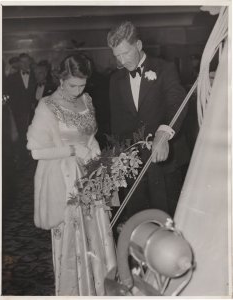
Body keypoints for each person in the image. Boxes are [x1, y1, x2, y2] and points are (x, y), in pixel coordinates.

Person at [26, 54, 116, 296]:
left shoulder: (86, 99)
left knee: (96, 235)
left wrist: (98, 157)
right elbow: (36, 151)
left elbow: (91, 135)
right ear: (61, 79)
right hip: (64, 182)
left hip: (89, 177)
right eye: (73, 84)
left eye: (83, 84)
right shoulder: (47, 106)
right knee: (72, 242)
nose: (78, 90)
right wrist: (73, 150)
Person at [107, 21, 190, 220]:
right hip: (133, 164)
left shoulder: (165, 68)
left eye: (125, 53)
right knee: (137, 218)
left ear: (139, 45)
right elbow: (117, 123)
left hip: (165, 161)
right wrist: (117, 157)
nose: (122, 61)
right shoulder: (115, 80)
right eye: (116, 56)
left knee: (167, 218)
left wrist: (164, 132)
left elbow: (177, 102)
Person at [7, 53, 36, 165]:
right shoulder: (11, 78)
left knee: (32, 134)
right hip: (17, 112)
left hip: (33, 111)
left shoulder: (36, 75)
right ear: (19, 63)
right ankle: (22, 158)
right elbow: (9, 95)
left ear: (30, 62)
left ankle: (33, 157)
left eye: (26, 61)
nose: (24, 64)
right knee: (20, 134)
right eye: (22, 62)